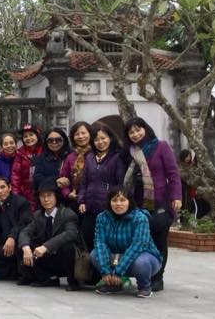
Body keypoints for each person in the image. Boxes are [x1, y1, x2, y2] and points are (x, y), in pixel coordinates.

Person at [122, 116, 180, 292]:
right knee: (140, 241)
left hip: (160, 202)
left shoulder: (161, 146)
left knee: (159, 241)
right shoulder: (129, 152)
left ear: (145, 129)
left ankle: (158, 278)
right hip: (137, 203)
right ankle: (144, 274)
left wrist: (176, 196)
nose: (135, 134)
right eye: (131, 132)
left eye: (138, 129)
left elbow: (173, 173)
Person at [92, 188, 163, 298]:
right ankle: (113, 284)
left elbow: (137, 246)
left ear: (130, 202)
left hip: (143, 257)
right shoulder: (102, 217)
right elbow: (100, 243)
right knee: (94, 254)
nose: (118, 204)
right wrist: (105, 271)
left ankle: (144, 287)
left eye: (122, 200)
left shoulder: (140, 218)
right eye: (114, 200)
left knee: (140, 262)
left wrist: (118, 272)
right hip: (117, 257)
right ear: (109, 202)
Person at [18, 179, 81, 290]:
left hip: (64, 259)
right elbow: (25, 232)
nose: (46, 199)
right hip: (47, 258)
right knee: (23, 243)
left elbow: (71, 233)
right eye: (42, 196)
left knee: (68, 247)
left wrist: (46, 247)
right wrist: (25, 247)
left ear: (56, 196)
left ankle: (73, 281)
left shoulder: (67, 214)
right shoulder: (38, 215)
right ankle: (46, 278)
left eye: (49, 195)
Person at [77, 122, 125, 251]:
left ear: (110, 138)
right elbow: (84, 182)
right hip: (89, 209)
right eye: (96, 139)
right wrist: (81, 200)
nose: (100, 142)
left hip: (107, 210)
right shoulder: (90, 157)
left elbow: (120, 184)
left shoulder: (117, 157)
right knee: (86, 242)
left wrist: (115, 204)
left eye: (103, 138)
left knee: (104, 244)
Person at [11, 124, 43, 211]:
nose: (28, 138)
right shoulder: (20, 153)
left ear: (37, 136)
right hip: (26, 193)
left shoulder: (45, 150)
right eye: (25, 136)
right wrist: (16, 195)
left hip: (43, 190)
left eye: (31, 135)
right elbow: (15, 176)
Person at [33, 128, 71, 198]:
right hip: (48, 198)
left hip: (69, 197)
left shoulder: (71, 156)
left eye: (58, 140)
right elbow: (37, 179)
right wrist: (56, 180)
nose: (54, 142)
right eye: (50, 140)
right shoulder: (41, 158)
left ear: (64, 140)